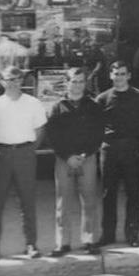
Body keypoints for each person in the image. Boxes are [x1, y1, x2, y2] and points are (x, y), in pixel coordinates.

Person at [45, 68, 105, 256]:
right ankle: (62, 243)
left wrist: (85, 154)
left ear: (84, 83)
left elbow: (98, 133)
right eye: (74, 81)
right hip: (64, 160)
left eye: (80, 81)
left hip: (86, 159)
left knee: (89, 200)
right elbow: (52, 135)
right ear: (67, 82)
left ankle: (89, 240)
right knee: (63, 201)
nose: (77, 84)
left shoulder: (93, 106)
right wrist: (68, 156)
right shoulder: (57, 106)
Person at [0, 65, 48, 258]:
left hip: (24, 154)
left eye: (16, 79)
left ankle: (31, 244)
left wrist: (28, 150)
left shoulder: (33, 103)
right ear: (2, 81)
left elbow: (40, 130)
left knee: (27, 201)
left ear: (22, 81)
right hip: (1, 155)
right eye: (8, 79)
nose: (12, 83)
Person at [96, 61, 139, 248]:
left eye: (122, 73)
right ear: (111, 76)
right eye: (116, 74)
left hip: (131, 148)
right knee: (108, 193)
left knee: (133, 193)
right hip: (109, 149)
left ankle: (132, 234)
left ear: (129, 75)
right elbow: (96, 126)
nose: (119, 77)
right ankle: (108, 234)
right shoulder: (102, 98)